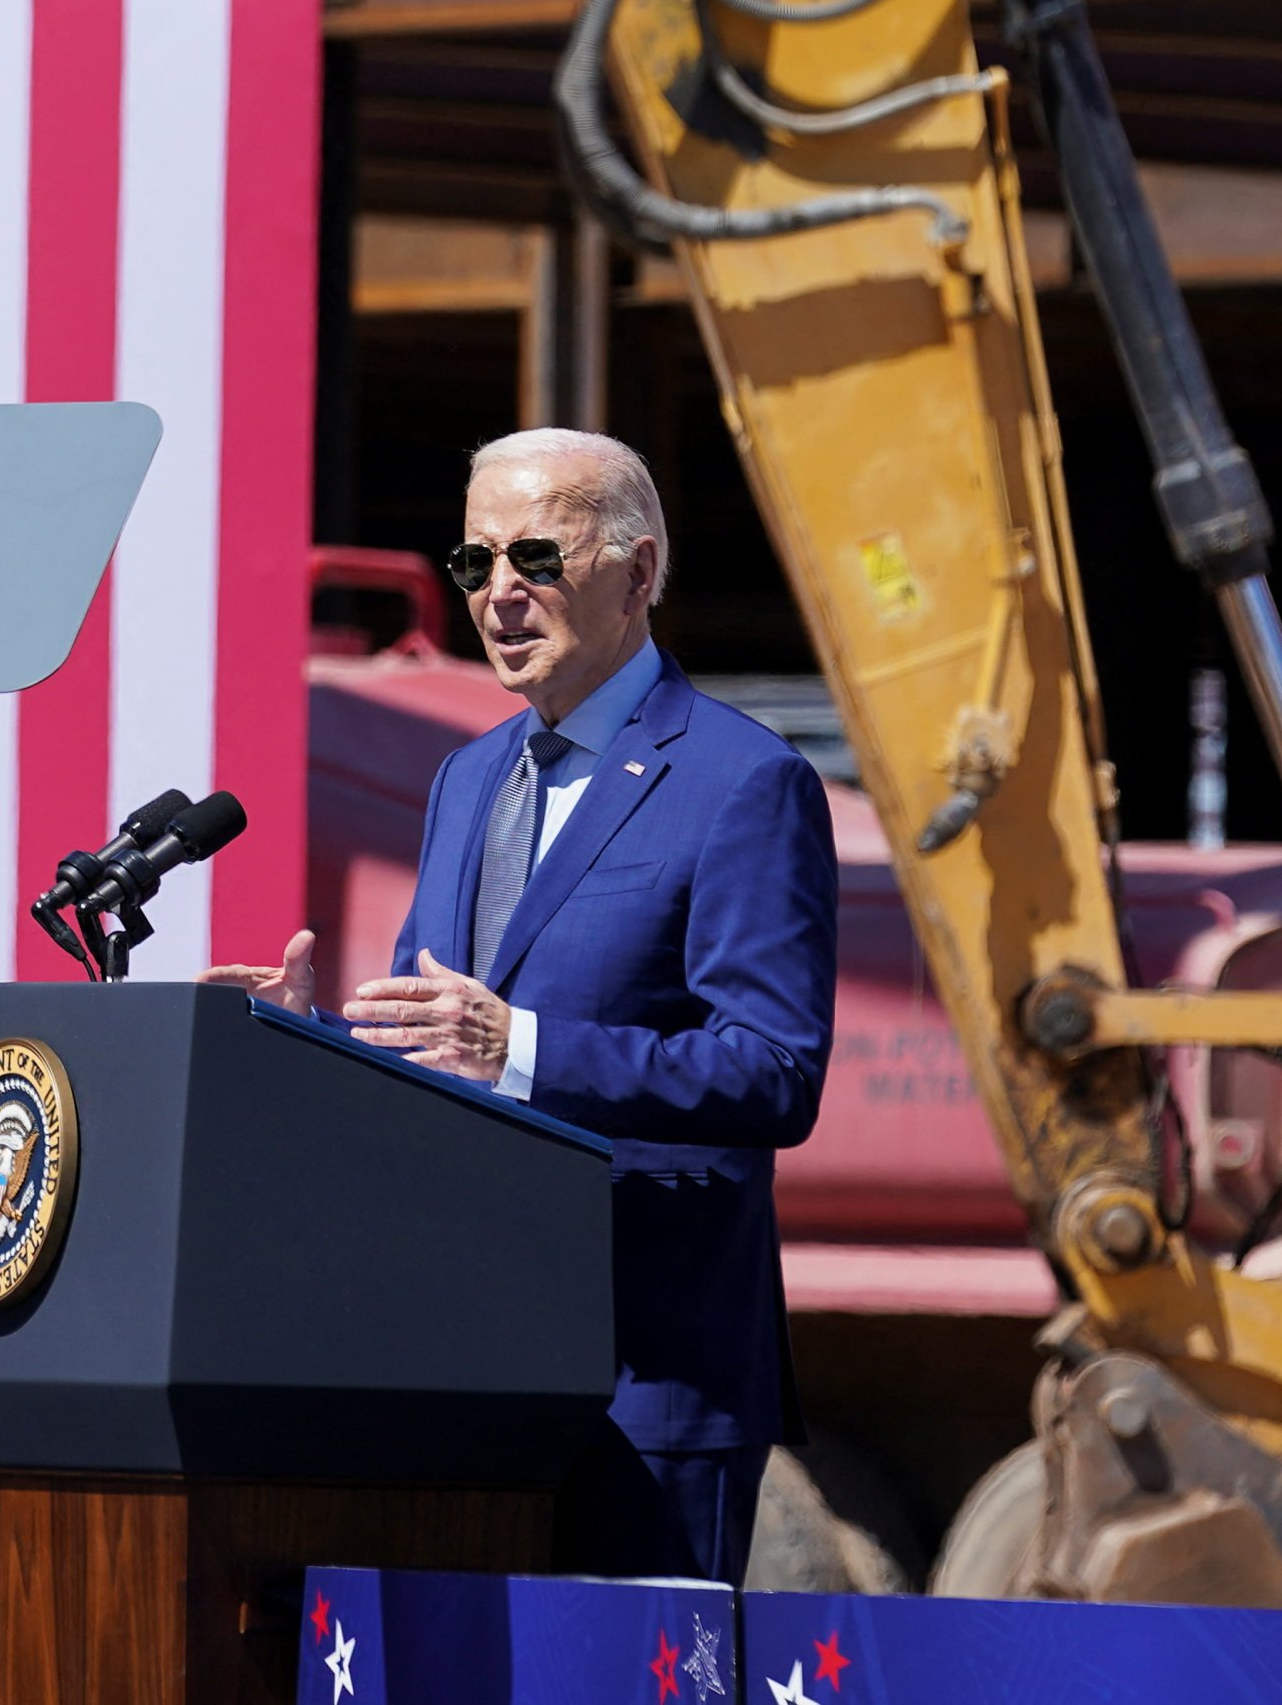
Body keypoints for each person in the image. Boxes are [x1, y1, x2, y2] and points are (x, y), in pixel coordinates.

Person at [209, 427, 834, 1585]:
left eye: (538, 557)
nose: (499, 593)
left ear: (640, 573)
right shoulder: (468, 776)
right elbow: (436, 1049)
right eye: (474, 561)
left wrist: (523, 1047)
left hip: (653, 1380)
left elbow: (774, 1073)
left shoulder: (743, 783)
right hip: (473, 1367)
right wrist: (312, 1039)